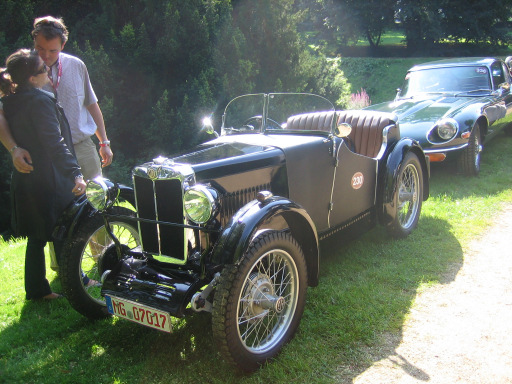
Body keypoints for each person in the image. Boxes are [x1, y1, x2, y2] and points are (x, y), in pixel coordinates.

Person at [0, 49, 86, 300]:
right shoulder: (39, 100)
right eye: (43, 69)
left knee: (38, 235)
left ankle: (39, 289)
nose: (48, 71)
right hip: (49, 177)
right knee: (65, 227)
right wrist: (75, 172)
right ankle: (64, 283)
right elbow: (54, 143)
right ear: (31, 78)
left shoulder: (11, 100)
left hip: (27, 176)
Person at [0, 15, 113, 179]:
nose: (45, 56)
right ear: (34, 43)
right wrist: (13, 148)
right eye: (40, 49)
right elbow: (1, 114)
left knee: (96, 200)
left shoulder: (77, 65)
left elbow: (91, 104)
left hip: (83, 148)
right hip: (43, 156)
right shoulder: (23, 69)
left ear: (63, 45)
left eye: (52, 50)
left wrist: (104, 142)